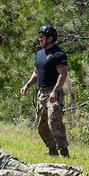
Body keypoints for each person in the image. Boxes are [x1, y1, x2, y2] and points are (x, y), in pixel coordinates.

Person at [21, 24, 70, 157]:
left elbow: (63, 74)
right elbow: (36, 72)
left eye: (42, 37)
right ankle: (52, 150)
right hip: (41, 93)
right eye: (40, 36)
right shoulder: (39, 54)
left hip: (53, 92)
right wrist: (27, 85)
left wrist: (55, 91)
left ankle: (64, 152)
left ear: (50, 38)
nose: (40, 39)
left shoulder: (58, 54)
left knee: (54, 122)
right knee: (40, 126)